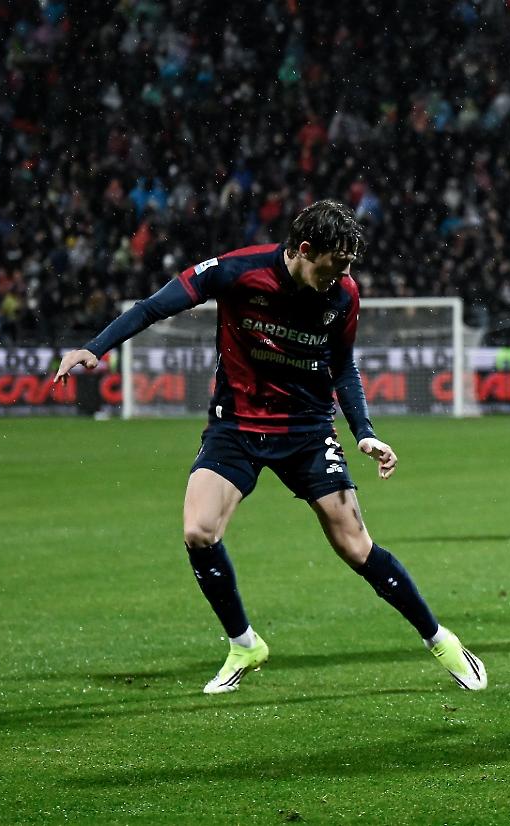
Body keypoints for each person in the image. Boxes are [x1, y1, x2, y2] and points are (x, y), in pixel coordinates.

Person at [54, 200, 486, 694]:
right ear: (305, 249)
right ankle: (243, 643)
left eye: (350, 265)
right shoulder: (237, 272)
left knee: (354, 546)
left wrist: (363, 431)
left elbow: (342, 366)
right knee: (199, 530)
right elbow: (154, 307)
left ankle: (440, 639)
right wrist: (95, 347)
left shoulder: (343, 294)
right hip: (236, 426)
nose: (344, 274)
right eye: (336, 263)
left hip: (306, 430)